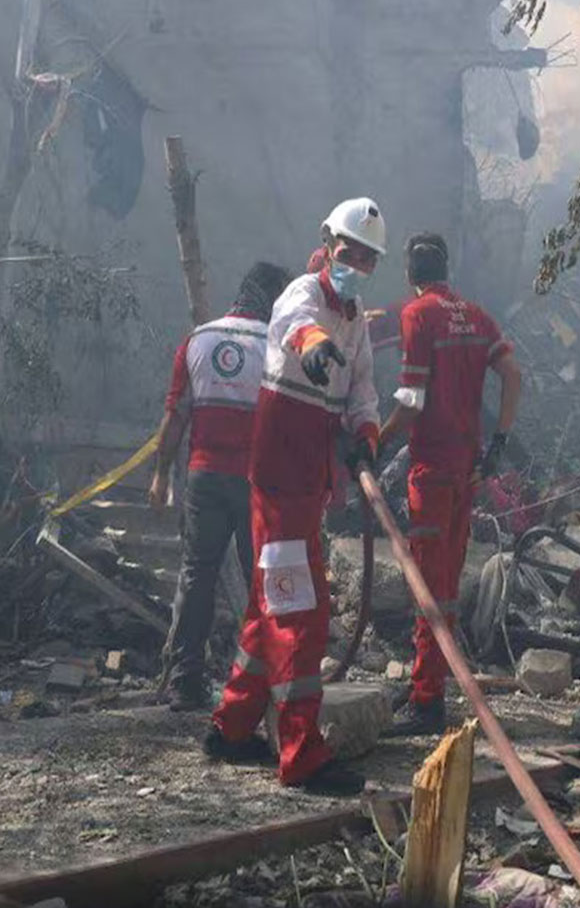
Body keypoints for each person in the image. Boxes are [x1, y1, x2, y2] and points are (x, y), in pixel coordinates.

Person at [203, 198, 387, 794]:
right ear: (327, 242)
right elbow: (291, 326)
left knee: (267, 609)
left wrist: (364, 435)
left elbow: (361, 390)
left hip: (311, 482)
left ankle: (232, 727)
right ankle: (302, 754)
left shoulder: (355, 320)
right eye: (348, 252)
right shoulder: (302, 295)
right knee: (300, 615)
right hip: (279, 477)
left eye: (367, 258)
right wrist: (309, 346)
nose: (354, 264)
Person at [381, 232, 522, 736]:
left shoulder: (418, 316)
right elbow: (512, 375)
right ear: (446, 268)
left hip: (432, 470)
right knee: (447, 585)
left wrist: (378, 435)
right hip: (467, 469)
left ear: (408, 274)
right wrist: (499, 442)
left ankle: (426, 700)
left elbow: (412, 400)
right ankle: (431, 680)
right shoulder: (477, 315)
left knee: (428, 585)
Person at [150, 261, 292, 712]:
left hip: (204, 478)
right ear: (272, 301)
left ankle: (185, 682)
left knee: (197, 576)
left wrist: (158, 475)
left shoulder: (199, 339)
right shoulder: (278, 346)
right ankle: (261, 682)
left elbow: (175, 416)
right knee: (263, 582)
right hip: (258, 483)